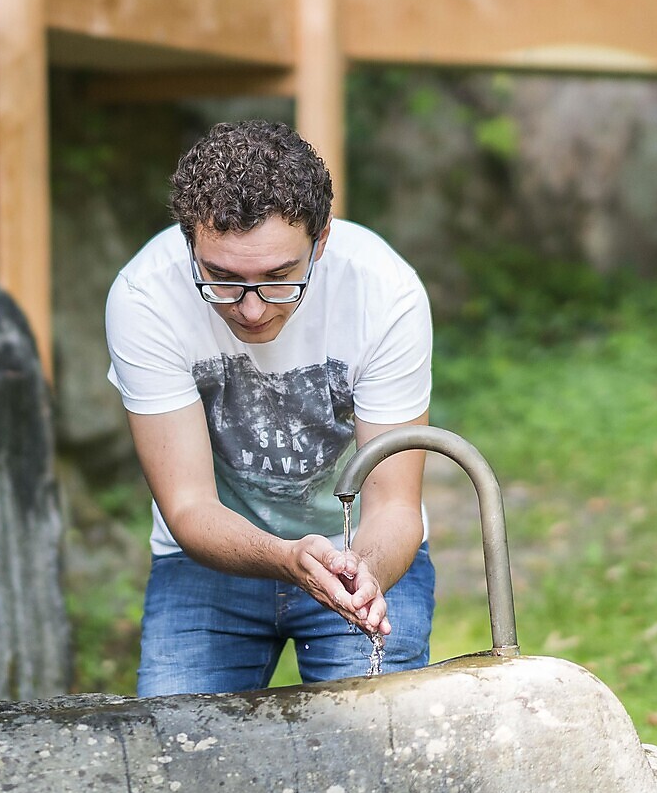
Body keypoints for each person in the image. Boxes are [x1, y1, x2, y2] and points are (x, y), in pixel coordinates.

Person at [104, 120, 435, 696]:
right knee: (178, 757)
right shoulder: (144, 296)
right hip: (206, 560)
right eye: (223, 279)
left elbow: (395, 505)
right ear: (189, 242)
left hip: (361, 556)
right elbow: (188, 505)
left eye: (280, 277)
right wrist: (286, 557)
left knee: (375, 758)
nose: (253, 310)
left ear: (322, 240)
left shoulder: (385, 291)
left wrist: (360, 577)